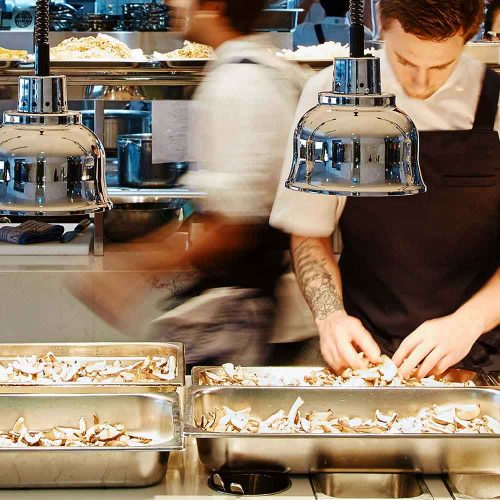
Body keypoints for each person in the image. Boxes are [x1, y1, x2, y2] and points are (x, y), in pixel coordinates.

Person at [69, 0, 308, 367]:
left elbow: (232, 228)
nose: (169, 2)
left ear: (213, 5)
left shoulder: (240, 84)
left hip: (248, 307)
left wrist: (131, 270)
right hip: (263, 300)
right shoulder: (266, 66)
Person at [271, 0, 500, 377]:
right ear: (380, 24)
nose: (421, 83)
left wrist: (468, 322)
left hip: (483, 357)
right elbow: (310, 235)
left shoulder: (496, 100)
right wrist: (331, 319)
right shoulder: (333, 97)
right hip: (370, 356)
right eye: (405, 61)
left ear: (470, 34)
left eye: (442, 65)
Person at [293, 0, 373, 48]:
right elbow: (367, 30)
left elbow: (293, 24)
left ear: (321, 3)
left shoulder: (304, 32)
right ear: (351, 5)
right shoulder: (364, 35)